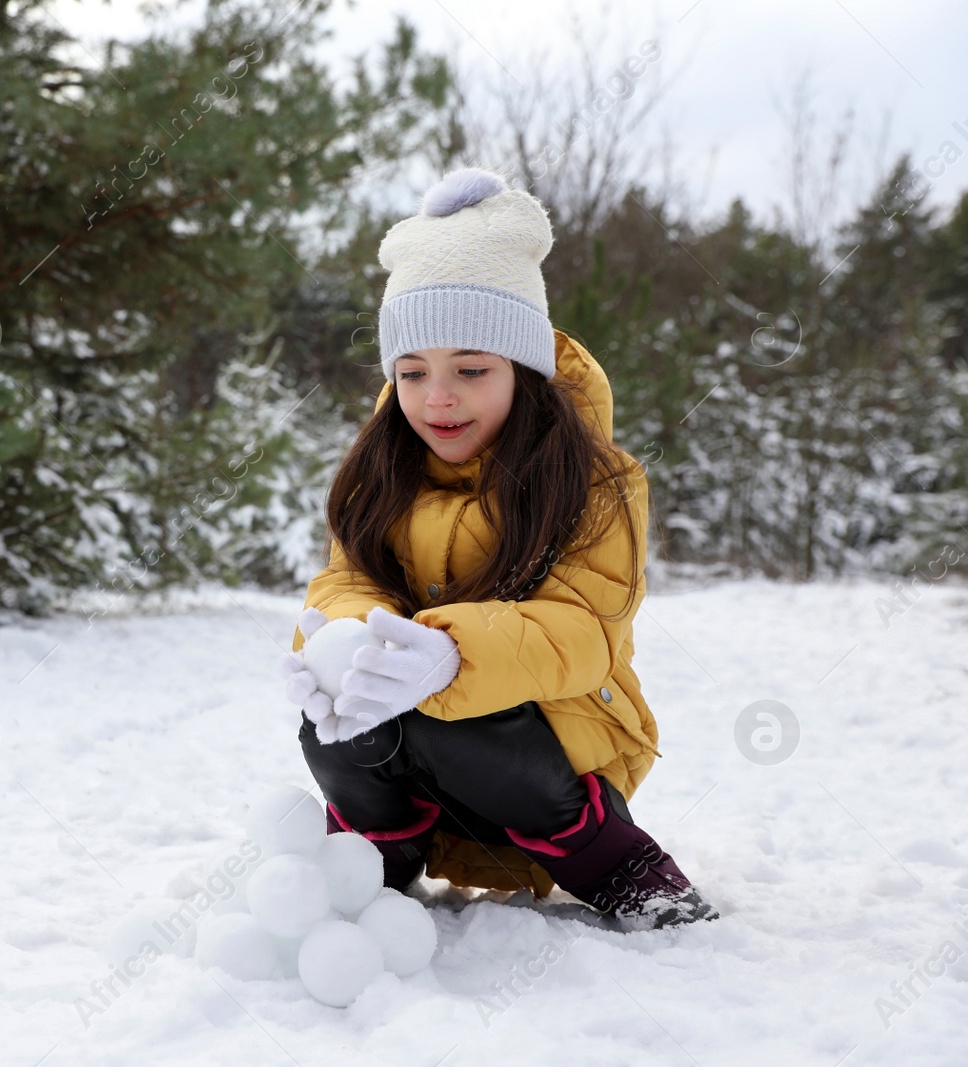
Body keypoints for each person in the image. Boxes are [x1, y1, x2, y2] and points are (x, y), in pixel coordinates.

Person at [276, 167, 718, 930]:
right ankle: (378, 854)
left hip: (556, 745)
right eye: (412, 373)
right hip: (416, 749)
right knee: (337, 713)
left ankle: (615, 859)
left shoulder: (594, 481)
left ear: (524, 369)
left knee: (464, 714)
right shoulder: (384, 469)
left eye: (471, 370)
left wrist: (449, 653)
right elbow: (346, 578)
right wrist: (346, 641)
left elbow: (583, 630)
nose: (437, 398)